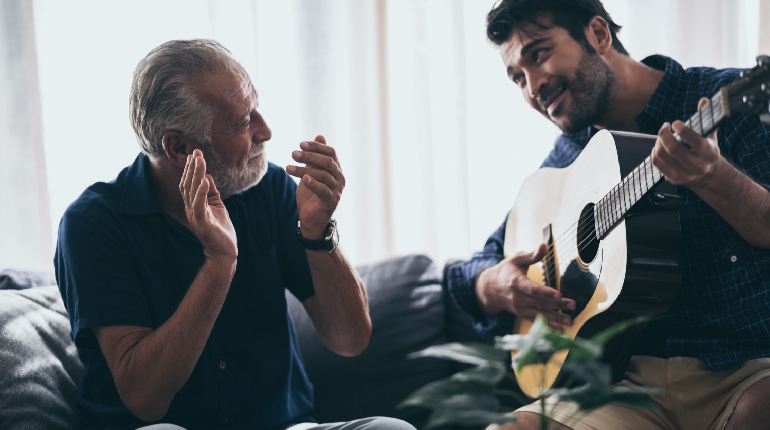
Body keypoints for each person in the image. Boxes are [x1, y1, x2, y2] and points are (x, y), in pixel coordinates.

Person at [55, 39, 414, 430]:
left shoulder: (270, 188)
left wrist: (317, 230)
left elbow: (351, 339)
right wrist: (218, 263)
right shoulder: (93, 224)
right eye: (243, 121)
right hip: (159, 427)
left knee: (391, 429)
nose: (265, 131)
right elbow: (145, 399)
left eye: (255, 109)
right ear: (179, 147)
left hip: (282, 426)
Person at [446, 1, 770, 429]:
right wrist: (499, 285)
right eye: (517, 77)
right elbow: (469, 271)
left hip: (743, 368)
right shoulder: (566, 161)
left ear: (598, 34)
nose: (531, 87)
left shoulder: (721, 101)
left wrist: (714, 177)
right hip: (621, 385)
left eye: (538, 54)